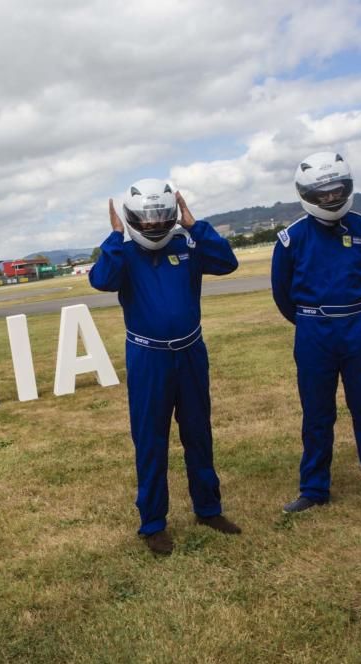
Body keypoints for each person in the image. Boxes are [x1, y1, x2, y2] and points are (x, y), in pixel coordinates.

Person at [89, 178, 242, 555]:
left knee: (198, 433)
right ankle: (153, 523)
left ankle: (209, 509)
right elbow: (101, 280)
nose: (156, 225)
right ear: (131, 218)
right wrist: (114, 237)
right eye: (147, 218)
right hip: (148, 358)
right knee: (151, 440)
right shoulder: (123, 255)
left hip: (190, 352)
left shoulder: (187, 244)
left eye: (162, 216)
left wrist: (194, 225)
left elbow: (227, 262)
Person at [271, 151, 361, 521]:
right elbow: (283, 294)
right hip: (313, 331)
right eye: (322, 193)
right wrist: (313, 320)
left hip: (358, 326)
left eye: (337, 191)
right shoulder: (290, 239)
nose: (331, 199)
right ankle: (314, 488)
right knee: (316, 413)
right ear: (306, 194)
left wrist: (353, 312)